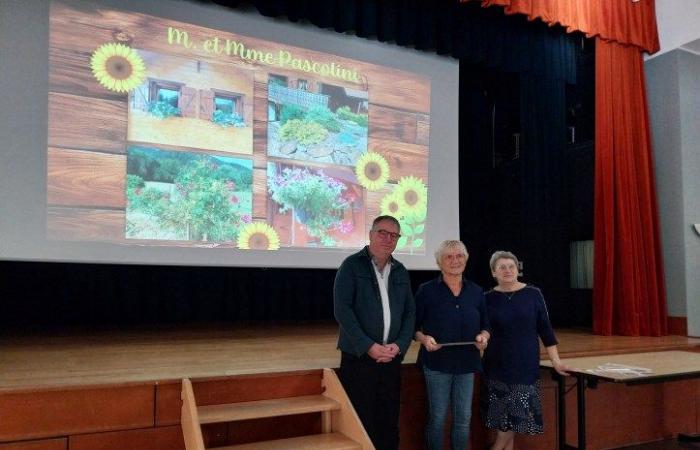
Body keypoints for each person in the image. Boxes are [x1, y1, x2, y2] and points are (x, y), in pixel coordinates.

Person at [333, 215, 416, 450]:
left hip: (391, 358)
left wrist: (399, 345)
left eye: (394, 235)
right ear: (370, 234)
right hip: (359, 358)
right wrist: (368, 346)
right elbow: (343, 311)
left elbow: (410, 313)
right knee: (360, 420)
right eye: (382, 233)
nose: (388, 239)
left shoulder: (400, 271)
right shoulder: (351, 266)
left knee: (388, 420)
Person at [482, 251, 571, 450]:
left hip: (524, 366)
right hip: (496, 365)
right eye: (502, 267)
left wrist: (556, 361)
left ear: (517, 269)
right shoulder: (486, 298)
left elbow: (545, 330)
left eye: (511, 266)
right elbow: (482, 329)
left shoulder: (533, 294)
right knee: (502, 420)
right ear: (493, 272)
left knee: (515, 416)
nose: (507, 270)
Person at [414, 240, 491, 450]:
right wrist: (424, 339)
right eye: (449, 256)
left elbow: (486, 325)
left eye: (459, 256)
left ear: (466, 260)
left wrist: (484, 337)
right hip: (437, 363)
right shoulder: (426, 290)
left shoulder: (476, 291)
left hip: (467, 363)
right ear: (439, 262)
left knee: (463, 419)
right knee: (438, 418)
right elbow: (413, 327)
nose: (455, 260)